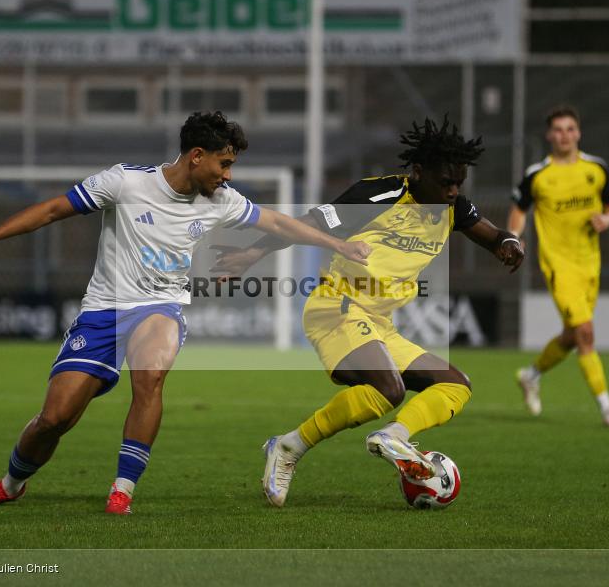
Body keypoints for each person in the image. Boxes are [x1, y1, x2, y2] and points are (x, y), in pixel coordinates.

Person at [0, 111, 370, 514]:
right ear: (196, 156)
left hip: (161, 306)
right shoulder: (125, 182)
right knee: (54, 418)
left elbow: (277, 223)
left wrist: (338, 245)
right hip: (104, 310)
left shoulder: (221, 199)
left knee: (149, 378)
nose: (228, 175)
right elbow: (55, 208)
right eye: (223, 164)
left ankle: (122, 489)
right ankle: (9, 486)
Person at [212, 117, 525, 507]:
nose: (451, 191)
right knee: (388, 388)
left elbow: (494, 235)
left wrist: (509, 242)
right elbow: (305, 224)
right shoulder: (380, 195)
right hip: (337, 308)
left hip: (379, 324)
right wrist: (252, 253)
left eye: (458, 183)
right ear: (418, 172)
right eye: (445, 182)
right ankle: (291, 450)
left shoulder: (453, 208)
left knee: (456, 384)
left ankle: (383, 437)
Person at [507, 105, 609, 427]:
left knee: (573, 336)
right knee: (586, 332)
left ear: (579, 133)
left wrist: (608, 218)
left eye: (570, 129)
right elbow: (518, 209)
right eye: (558, 129)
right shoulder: (538, 175)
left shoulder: (596, 169)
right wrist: (514, 237)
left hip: (590, 262)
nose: (564, 135)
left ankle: (530, 375)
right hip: (557, 264)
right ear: (549, 135)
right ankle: (607, 407)